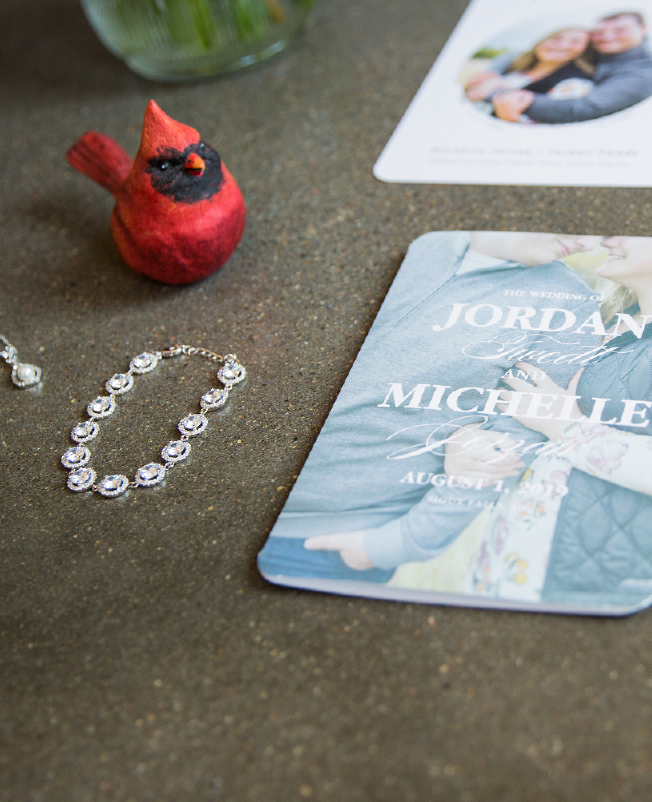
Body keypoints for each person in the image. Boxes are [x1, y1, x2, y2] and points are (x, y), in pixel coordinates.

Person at [257, 232, 605, 585]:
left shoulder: (570, 304)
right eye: (585, 225)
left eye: (601, 236)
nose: (588, 244)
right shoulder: (412, 241)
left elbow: (505, 451)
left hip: (321, 544)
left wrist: (397, 544)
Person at [461, 236, 652, 610]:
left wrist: (566, 428)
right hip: (504, 570)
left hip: (586, 582)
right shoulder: (603, 322)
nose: (609, 238)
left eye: (638, 229)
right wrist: (467, 439)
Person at [490, 12, 652, 125]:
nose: (607, 37)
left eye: (620, 30)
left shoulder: (648, 70)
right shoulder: (594, 59)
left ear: (643, 29)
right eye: (599, 32)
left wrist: (515, 99)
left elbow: (587, 108)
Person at [463, 27, 596, 109]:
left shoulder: (574, 84)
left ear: (585, 52)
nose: (562, 45)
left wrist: (496, 90)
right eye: (556, 38)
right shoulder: (512, 63)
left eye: (575, 42)